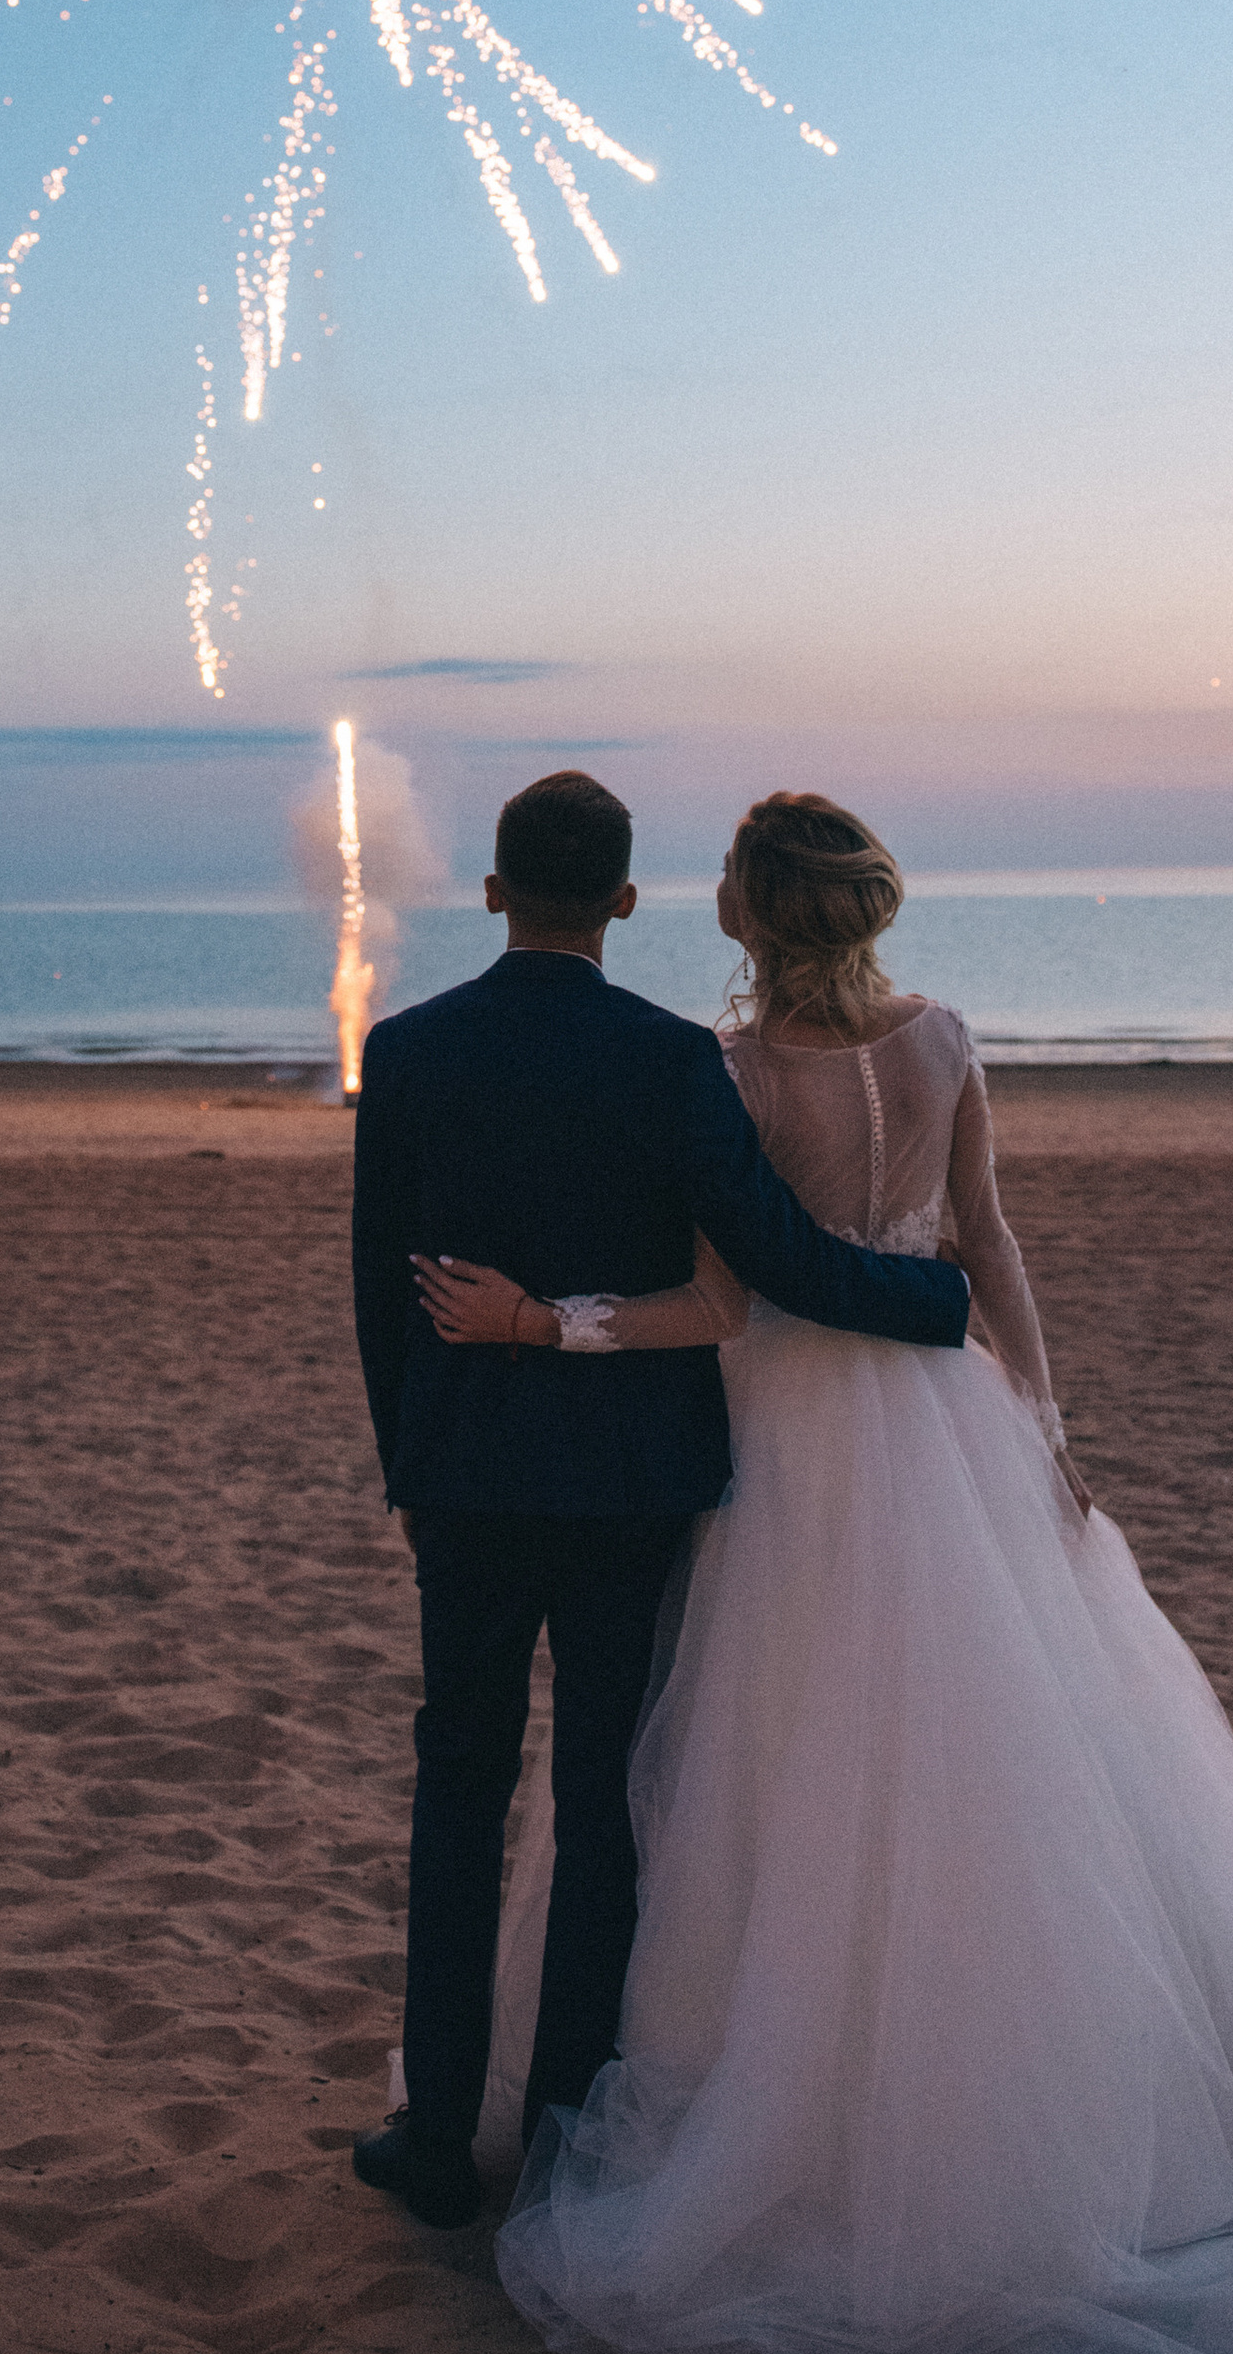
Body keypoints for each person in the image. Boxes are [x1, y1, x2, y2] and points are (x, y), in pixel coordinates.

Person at [420, 791, 1233, 2354]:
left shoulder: (732, 1075)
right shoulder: (949, 1037)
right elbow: (988, 1247)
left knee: (771, 1761)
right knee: (1004, 1759)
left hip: (790, 1454)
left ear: (746, 920)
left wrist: (549, 1322)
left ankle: (778, 2096)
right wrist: (1038, 1425)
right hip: (946, 1428)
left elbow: (729, 1303)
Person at [348, 767, 974, 2235]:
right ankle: (564, 2135)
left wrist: (417, 1470)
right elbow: (776, 1265)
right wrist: (937, 1298)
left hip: (471, 1491)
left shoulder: (407, 1051)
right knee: (605, 1803)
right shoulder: (672, 1060)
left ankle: (438, 2132)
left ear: (494, 890)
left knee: (458, 1788)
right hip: (632, 1488)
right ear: (624, 901)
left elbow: (383, 1303)